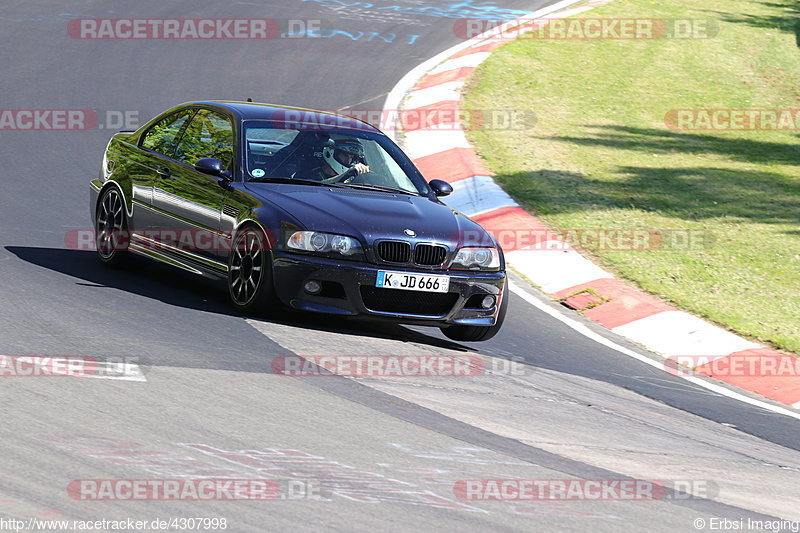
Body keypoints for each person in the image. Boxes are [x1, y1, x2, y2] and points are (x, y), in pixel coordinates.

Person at [298, 138, 370, 182]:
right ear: (330, 153)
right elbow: (319, 185)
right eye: (345, 155)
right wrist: (346, 174)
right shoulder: (309, 173)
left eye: (351, 157)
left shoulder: (353, 179)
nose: (348, 161)